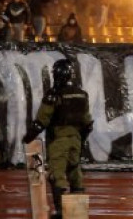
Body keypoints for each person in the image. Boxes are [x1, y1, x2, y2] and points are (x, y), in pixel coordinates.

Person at [23, 59, 93, 219]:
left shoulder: (53, 95)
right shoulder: (82, 94)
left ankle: (62, 213)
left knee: (57, 175)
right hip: (76, 139)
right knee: (75, 173)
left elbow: (41, 121)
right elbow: (88, 124)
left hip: (58, 140)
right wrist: (80, 141)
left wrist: (28, 138)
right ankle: (77, 213)